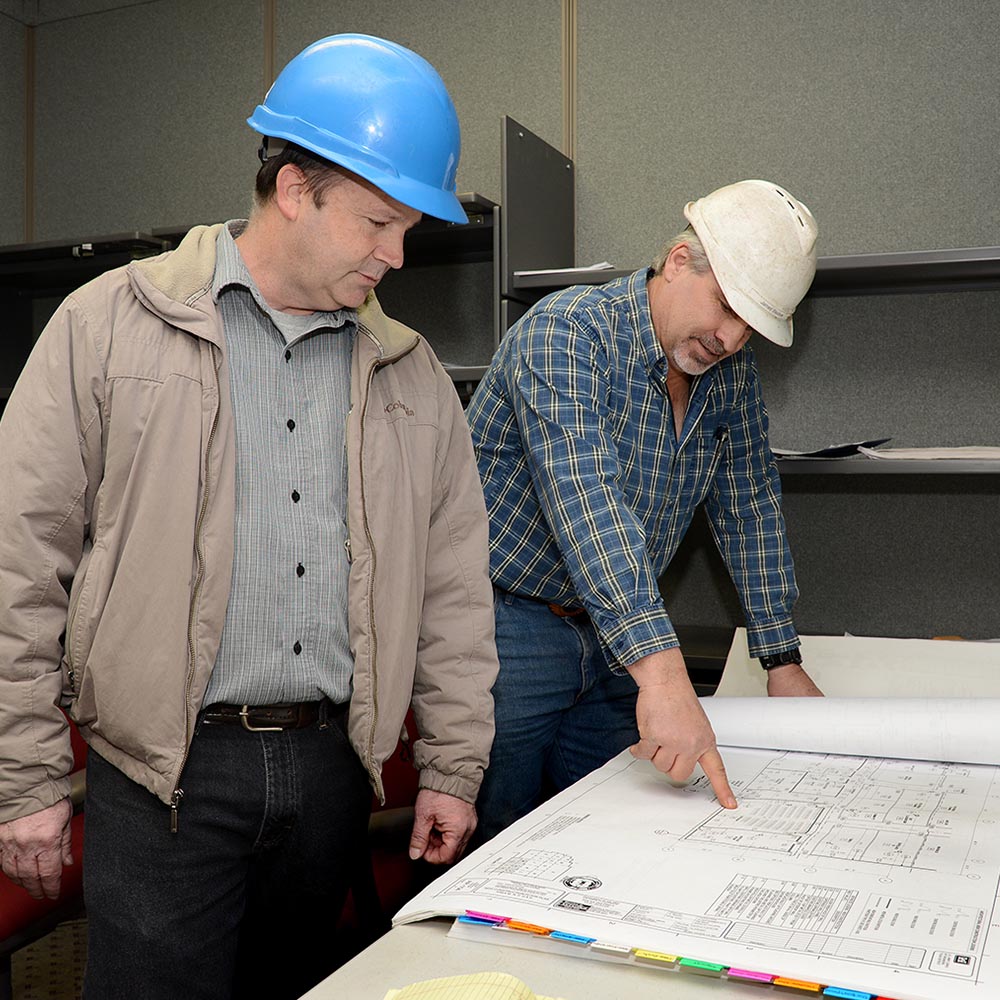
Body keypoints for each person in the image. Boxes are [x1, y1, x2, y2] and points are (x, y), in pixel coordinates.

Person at [0, 34, 497, 1000]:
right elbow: (19, 562)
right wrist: (25, 778)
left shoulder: (413, 376)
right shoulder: (109, 327)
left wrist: (450, 765)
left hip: (331, 775)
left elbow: (452, 591)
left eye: (408, 231)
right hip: (164, 780)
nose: (396, 256)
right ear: (295, 189)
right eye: (379, 223)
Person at [467, 179, 823, 843]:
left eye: (750, 326)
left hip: (615, 637)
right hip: (508, 625)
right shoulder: (567, 333)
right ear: (680, 261)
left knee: (608, 832)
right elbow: (587, 500)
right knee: (494, 835)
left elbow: (748, 503)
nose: (731, 339)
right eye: (728, 307)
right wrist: (663, 674)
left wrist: (781, 657)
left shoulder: (730, 376)